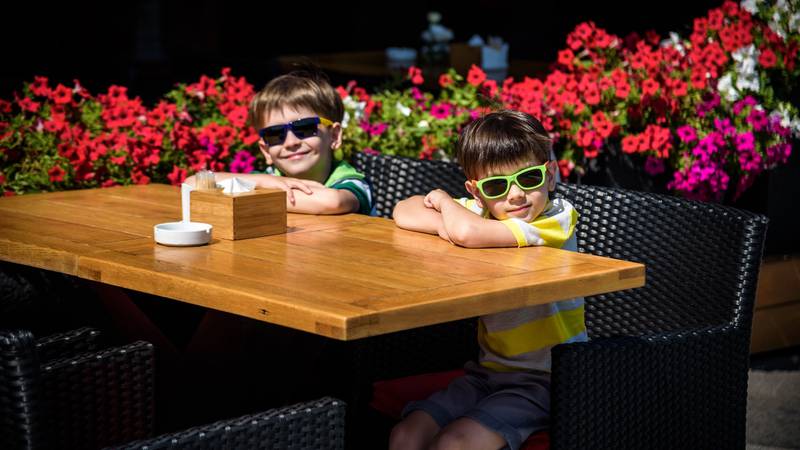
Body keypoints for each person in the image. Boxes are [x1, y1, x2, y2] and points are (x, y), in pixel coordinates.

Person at [390, 110, 585, 450]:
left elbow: (466, 231)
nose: (515, 196)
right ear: (477, 193)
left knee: (454, 444)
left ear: (550, 175)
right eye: (497, 185)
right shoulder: (481, 212)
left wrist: (447, 207)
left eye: (529, 178)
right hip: (486, 374)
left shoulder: (556, 219)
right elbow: (402, 211)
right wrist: (447, 223)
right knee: (406, 435)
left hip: (549, 379)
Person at [186, 68, 373, 215]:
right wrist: (260, 180)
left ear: (334, 136)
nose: (291, 142)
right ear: (266, 150)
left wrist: (247, 192)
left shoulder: (352, 182)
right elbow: (192, 183)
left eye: (305, 128)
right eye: (274, 134)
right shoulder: (268, 179)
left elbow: (332, 202)